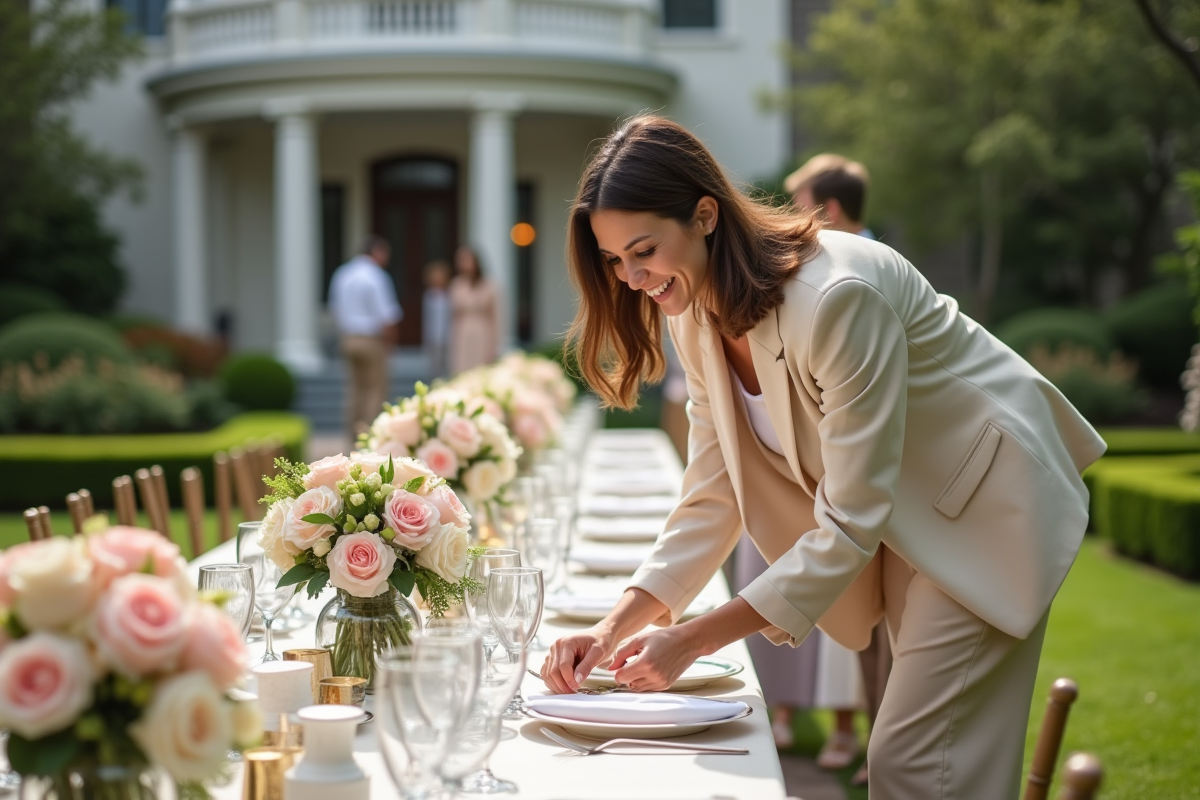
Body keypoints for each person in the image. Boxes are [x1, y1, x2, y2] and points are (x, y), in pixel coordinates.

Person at [542, 116, 1105, 800]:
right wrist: (610, 628)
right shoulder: (690, 312)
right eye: (614, 261)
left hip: (985, 508)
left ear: (705, 214)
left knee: (920, 765)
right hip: (907, 518)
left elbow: (850, 519)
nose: (631, 278)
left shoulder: (838, 300)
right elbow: (712, 493)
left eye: (644, 250)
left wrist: (692, 639)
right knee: (919, 766)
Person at [786, 153, 884, 783]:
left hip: (863, 486)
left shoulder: (856, 279)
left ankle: (877, 747)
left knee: (871, 635)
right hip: (835, 483)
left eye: (798, 207)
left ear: (830, 212)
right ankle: (877, 749)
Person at [328, 235, 402, 437]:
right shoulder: (376, 276)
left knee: (355, 389)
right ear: (377, 252)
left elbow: (334, 308)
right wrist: (390, 342)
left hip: (348, 337)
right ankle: (369, 436)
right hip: (370, 338)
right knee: (375, 390)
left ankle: (352, 436)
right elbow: (387, 315)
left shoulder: (343, 273)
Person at [449, 245, 501, 375]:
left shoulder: (489, 285)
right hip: (463, 332)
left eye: (467, 260)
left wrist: (494, 345)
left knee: (481, 369)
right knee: (463, 370)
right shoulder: (457, 285)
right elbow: (455, 316)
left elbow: (494, 317)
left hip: (482, 332)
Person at [422, 260, 452, 380]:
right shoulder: (428, 296)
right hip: (433, 336)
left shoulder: (449, 294)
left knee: (447, 365)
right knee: (435, 367)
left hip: (447, 336)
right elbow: (427, 320)